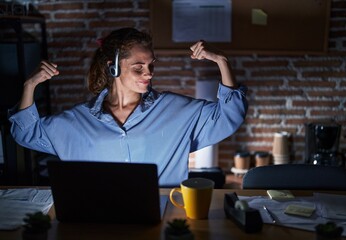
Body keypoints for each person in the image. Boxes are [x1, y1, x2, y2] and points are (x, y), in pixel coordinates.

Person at [8, 28, 248, 187]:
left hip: (163, 217)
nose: (148, 73)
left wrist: (221, 61)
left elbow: (230, 115)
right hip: (98, 222)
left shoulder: (176, 109)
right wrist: (30, 85)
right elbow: (26, 133)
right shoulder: (76, 120)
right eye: (138, 67)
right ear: (113, 67)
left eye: (151, 65)